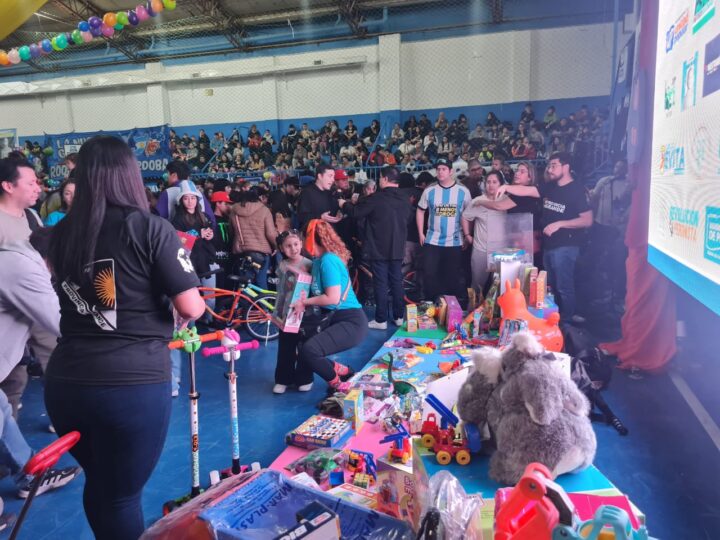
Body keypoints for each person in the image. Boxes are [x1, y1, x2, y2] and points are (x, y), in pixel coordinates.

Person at [44, 135, 206, 539]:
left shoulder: (60, 233)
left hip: (66, 381)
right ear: (130, 175)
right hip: (131, 383)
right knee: (119, 495)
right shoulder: (149, 227)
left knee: (102, 484)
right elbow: (192, 307)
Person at [0, 228, 82, 500]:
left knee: (2, 410)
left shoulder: (15, 258)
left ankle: (29, 477)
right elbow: (60, 322)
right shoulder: (25, 269)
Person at [498, 152, 592, 324]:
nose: (549, 169)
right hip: (549, 245)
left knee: (564, 286)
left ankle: (566, 322)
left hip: (566, 245)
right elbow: (528, 190)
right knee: (551, 286)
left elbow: (587, 220)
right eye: (549, 166)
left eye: (554, 165)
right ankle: (553, 319)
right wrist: (506, 187)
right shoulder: (550, 187)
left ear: (566, 167)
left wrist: (560, 224)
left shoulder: (577, 190)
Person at [292, 220, 368, 391]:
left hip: (351, 321)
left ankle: (338, 385)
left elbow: (332, 298)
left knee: (310, 351)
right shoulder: (317, 261)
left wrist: (304, 302)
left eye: (303, 238)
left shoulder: (328, 260)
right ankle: (344, 371)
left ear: (310, 238)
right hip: (333, 318)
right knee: (305, 350)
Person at [339, 166, 410, 330]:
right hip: (398, 246)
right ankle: (399, 317)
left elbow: (356, 213)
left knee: (380, 282)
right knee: (397, 281)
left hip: (379, 247)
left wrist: (344, 204)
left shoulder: (377, 198)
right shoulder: (405, 198)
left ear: (384, 179)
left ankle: (381, 319)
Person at [416, 158, 471, 301]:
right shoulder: (429, 191)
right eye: (438, 169)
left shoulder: (463, 191)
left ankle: (450, 306)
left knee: (451, 276)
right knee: (430, 274)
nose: (440, 172)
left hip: (454, 241)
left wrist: (467, 235)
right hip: (432, 240)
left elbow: (468, 215)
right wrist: (420, 232)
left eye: (444, 169)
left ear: (450, 171)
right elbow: (420, 210)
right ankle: (430, 303)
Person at [473, 161, 543, 265]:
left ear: (530, 177)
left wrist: (480, 202)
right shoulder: (514, 192)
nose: (517, 173)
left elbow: (499, 206)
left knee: (527, 271)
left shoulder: (527, 192)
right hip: (517, 240)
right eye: (517, 170)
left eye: (522, 171)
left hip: (528, 241)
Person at [272, 230, 314, 394]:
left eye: (296, 244)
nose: (293, 248)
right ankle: (283, 379)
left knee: (305, 346)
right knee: (285, 347)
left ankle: (305, 379)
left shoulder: (309, 264)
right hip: (286, 313)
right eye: (288, 246)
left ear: (301, 244)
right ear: (282, 249)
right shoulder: (282, 265)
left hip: (305, 313)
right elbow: (281, 290)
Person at [462, 170, 507, 292]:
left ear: (501, 184)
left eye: (494, 182)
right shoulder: (478, 201)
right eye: (488, 182)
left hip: (501, 251)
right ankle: (475, 304)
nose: (491, 185)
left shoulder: (506, 201)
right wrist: (467, 235)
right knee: (477, 285)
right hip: (481, 249)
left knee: (499, 286)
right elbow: (465, 216)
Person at [228, 188, 278, 289]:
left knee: (245, 284)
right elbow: (270, 233)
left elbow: (231, 231)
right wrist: (276, 246)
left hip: (242, 252)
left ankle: (246, 299)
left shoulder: (234, 211)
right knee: (261, 281)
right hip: (261, 252)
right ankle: (262, 300)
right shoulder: (264, 210)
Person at [157, 161, 216, 226]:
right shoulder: (198, 193)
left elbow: (159, 220)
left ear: (174, 175)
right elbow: (211, 219)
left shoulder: (167, 193)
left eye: (168, 174)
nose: (167, 178)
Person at [296, 163, 342, 231]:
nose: (333, 180)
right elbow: (302, 217)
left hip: (329, 233)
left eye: (333, 177)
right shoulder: (307, 193)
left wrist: (339, 212)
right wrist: (320, 217)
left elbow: (333, 210)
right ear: (320, 176)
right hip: (313, 233)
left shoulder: (331, 192)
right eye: (330, 176)